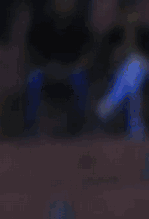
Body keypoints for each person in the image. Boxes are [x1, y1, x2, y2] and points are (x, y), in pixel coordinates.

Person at [23, 0, 95, 137]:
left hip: (72, 70)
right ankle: (30, 125)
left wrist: (69, 68)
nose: (63, 4)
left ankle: (80, 123)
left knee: (80, 77)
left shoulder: (81, 26)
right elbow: (33, 53)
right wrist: (49, 68)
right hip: (46, 70)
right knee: (33, 78)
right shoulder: (41, 25)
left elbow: (87, 55)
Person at [93, 0, 149, 139]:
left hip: (147, 72)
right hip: (119, 76)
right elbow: (102, 65)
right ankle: (135, 126)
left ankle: (108, 105)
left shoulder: (147, 33)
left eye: (133, 12)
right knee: (133, 81)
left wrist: (134, 48)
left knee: (136, 63)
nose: (130, 17)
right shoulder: (112, 34)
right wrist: (119, 55)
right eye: (127, 13)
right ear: (120, 14)